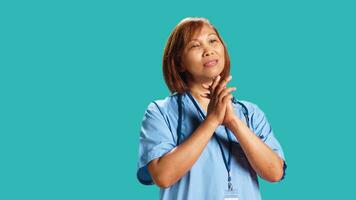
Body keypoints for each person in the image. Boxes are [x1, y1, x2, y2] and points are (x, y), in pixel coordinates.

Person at [136, 17, 287, 200]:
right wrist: (212, 121)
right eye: (195, 46)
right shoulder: (160, 111)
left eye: (213, 40)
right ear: (179, 63)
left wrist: (233, 122)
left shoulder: (250, 113)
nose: (208, 50)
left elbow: (274, 173)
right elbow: (162, 176)